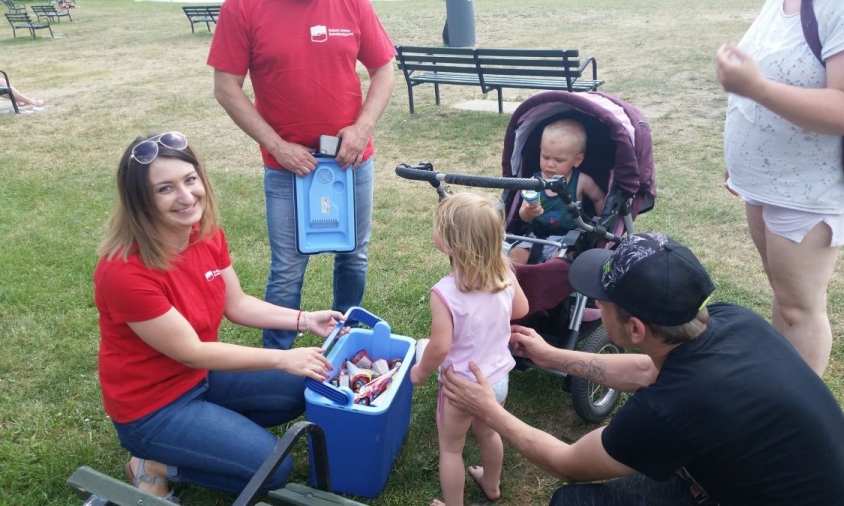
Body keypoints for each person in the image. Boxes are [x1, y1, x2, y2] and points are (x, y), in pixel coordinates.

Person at [442, 232, 844, 506]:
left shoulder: (668, 410)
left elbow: (567, 462)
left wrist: (490, 410)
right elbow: (646, 370)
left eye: (602, 302)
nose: (596, 304)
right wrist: (554, 356)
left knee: (572, 502)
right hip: (803, 487)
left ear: (635, 328)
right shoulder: (732, 319)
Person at [94, 132, 348, 501]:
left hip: (200, 378)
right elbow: (192, 352)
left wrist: (304, 320)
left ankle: (208, 432)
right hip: (153, 408)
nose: (186, 196)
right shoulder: (123, 272)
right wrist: (282, 358)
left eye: (190, 180)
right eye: (165, 189)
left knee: (304, 385)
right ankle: (155, 464)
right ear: (140, 200)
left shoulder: (203, 233)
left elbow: (237, 304)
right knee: (273, 469)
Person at [714, 0, 844, 376]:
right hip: (770, 182)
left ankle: (797, 406)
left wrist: (756, 87)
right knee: (786, 298)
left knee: (801, 309)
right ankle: (782, 384)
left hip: (809, 190)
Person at [207, 0, 396, 351]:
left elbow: (384, 69)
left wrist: (362, 128)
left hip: (349, 160)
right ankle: (277, 359)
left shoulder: (353, 3)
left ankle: (345, 340)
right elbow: (226, 87)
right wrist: (276, 145)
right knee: (287, 268)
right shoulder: (243, 7)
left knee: (354, 255)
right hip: (286, 166)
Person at [409, 193, 529, 506]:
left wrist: (420, 372)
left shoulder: (445, 292)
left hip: (460, 386)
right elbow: (522, 308)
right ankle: (491, 485)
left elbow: (439, 347)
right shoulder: (505, 272)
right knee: (489, 433)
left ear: (449, 244)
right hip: (497, 380)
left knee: (451, 448)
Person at [508, 119, 606, 265]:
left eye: (559, 160)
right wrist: (528, 212)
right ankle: (516, 276)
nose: (550, 164)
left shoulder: (581, 181)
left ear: (577, 160)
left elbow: (599, 198)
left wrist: (601, 222)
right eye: (545, 157)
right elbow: (523, 217)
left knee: (560, 261)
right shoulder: (534, 182)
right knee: (515, 255)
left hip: (568, 237)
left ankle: (548, 272)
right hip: (535, 234)